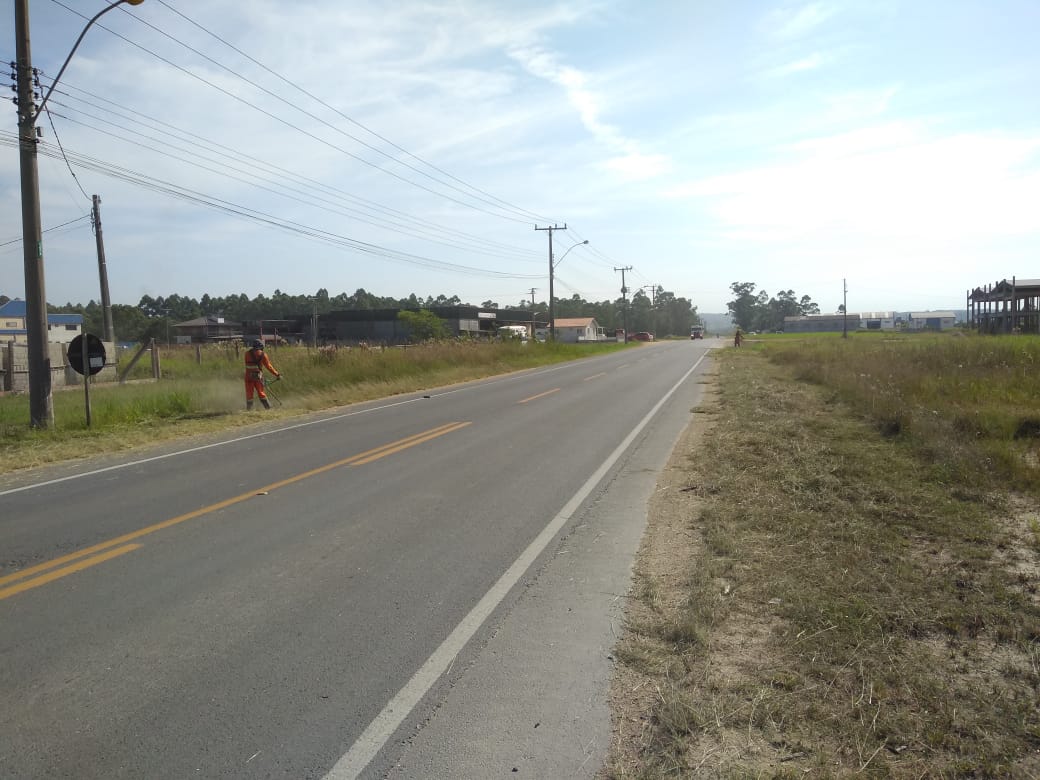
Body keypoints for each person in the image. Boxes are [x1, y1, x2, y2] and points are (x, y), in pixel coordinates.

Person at [244, 339, 281, 409]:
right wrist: (277, 374)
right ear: (261, 346)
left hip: (248, 377)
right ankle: (268, 408)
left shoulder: (247, 354)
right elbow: (269, 367)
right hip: (258, 377)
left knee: (249, 394)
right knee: (261, 393)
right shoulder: (263, 354)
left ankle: (249, 409)